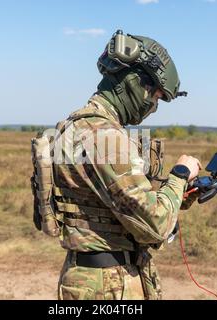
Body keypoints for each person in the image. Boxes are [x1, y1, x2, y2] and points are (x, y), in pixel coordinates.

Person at [51, 30, 201, 300]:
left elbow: (111, 207)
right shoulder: (102, 135)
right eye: (154, 97)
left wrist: (179, 196)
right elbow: (154, 225)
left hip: (93, 278)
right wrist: (180, 175)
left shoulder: (76, 126)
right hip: (109, 285)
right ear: (132, 81)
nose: (153, 107)